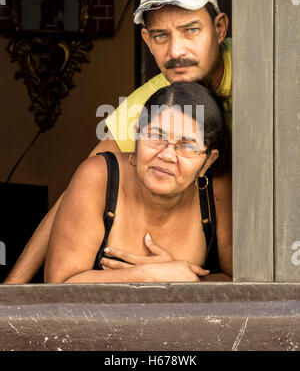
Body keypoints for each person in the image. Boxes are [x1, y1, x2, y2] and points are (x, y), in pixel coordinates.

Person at [4, 0, 232, 284]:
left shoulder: (262, 73)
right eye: (161, 36)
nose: (176, 51)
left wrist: (181, 279)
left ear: (220, 28)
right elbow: (76, 193)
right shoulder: (146, 104)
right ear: (147, 41)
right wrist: (12, 290)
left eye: (191, 30)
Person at [45, 82, 232, 283]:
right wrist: (145, 275)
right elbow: (59, 284)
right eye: (156, 136)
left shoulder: (217, 191)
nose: (167, 154)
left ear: (208, 161)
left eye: (186, 145)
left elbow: (243, 284)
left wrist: (187, 282)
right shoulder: (100, 176)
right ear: (137, 135)